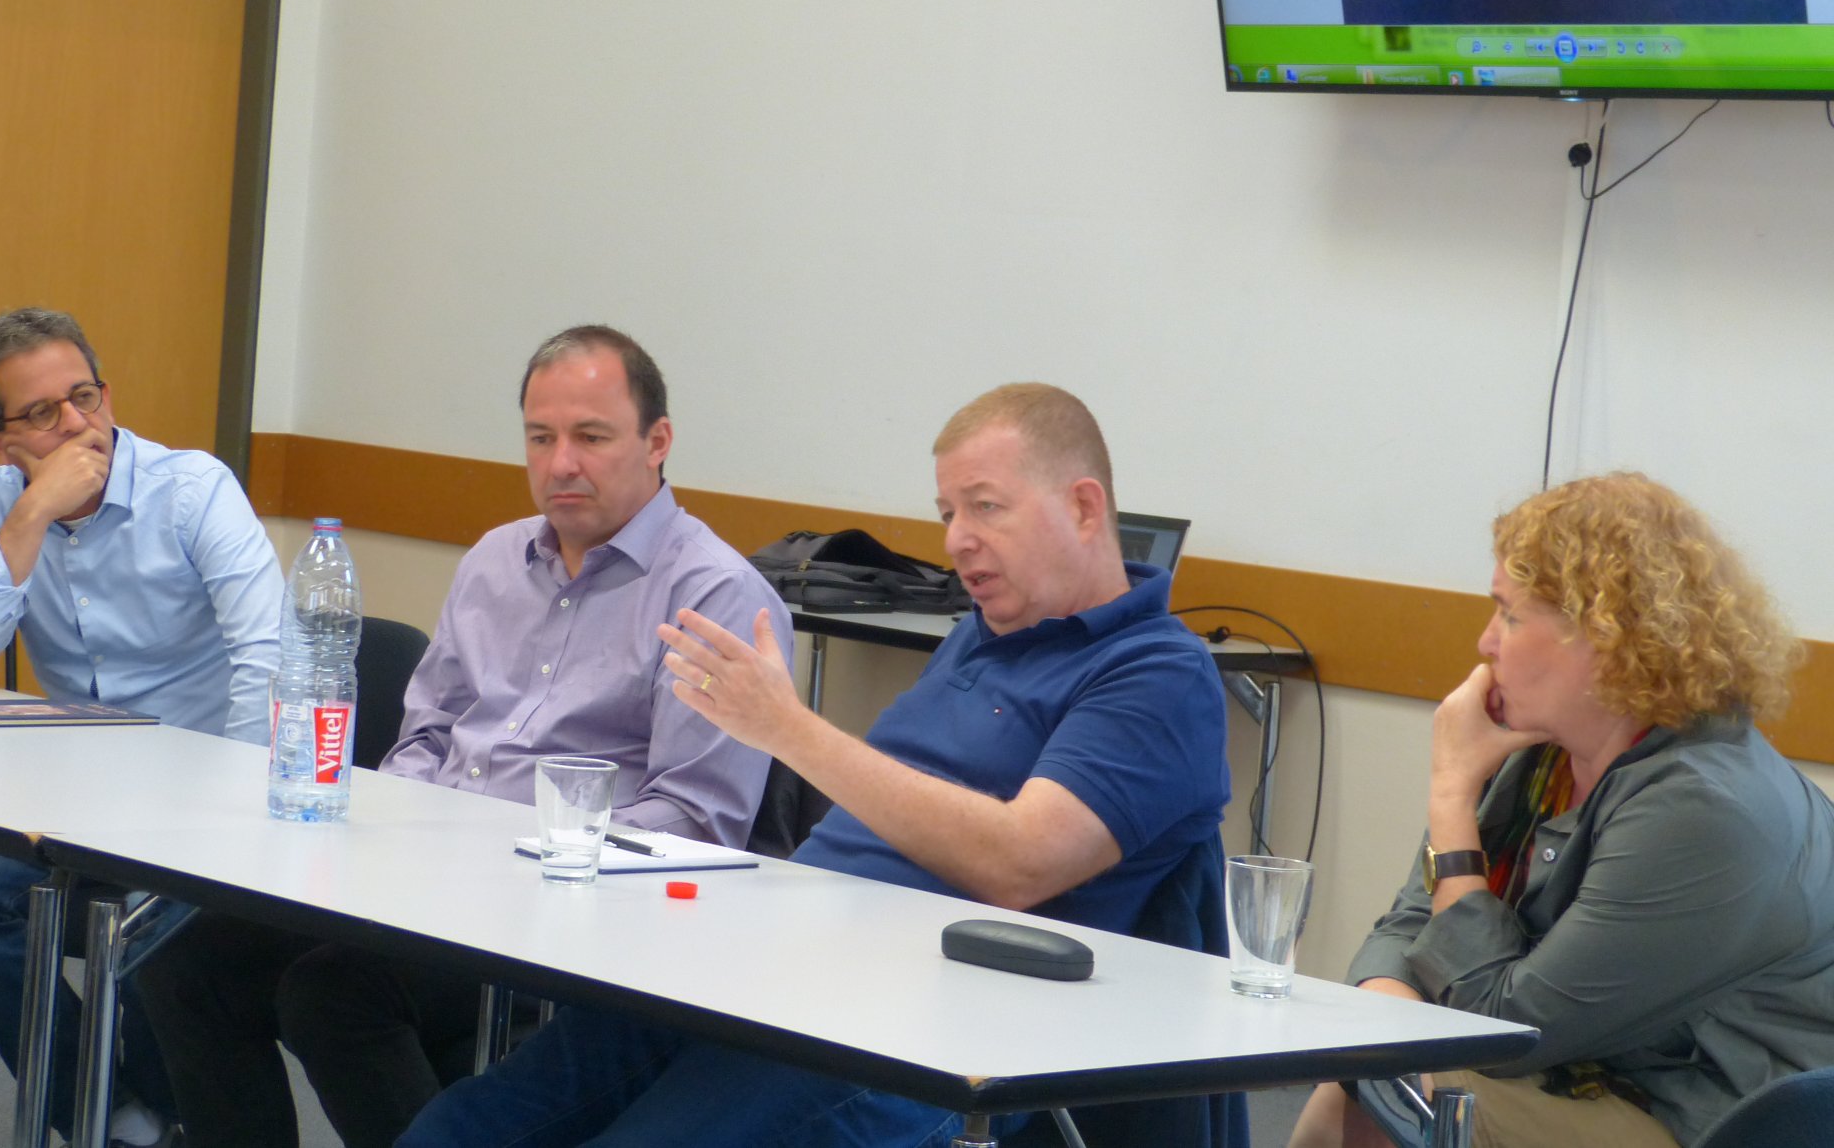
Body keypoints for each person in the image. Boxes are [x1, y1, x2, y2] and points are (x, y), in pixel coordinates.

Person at [396, 381, 1235, 1148]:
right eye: (947, 512)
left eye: (985, 508)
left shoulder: (1158, 673)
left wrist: (788, 729)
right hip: (776, 968)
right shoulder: (983, 636)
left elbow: (1021, 860)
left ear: (1084, 508)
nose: (957, 541)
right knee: (459, 1130)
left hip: (914, 1031)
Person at [135, 325, 792, 1148]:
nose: (561, 464)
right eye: (541, 438)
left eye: (591, 438)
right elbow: (426, 735)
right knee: (183, 963)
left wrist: (515, 849)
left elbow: (698, 819)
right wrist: (404, 826)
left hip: (569, 914)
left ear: (657, 442)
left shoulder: (717, 594)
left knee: (336, 995)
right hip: (424, 882)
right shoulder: (494, 560)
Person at [1287, 473, 1834, 1148]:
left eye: (1510, 616)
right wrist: (1386, 1012)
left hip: (1708, 1117)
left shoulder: (1702, 810)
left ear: (1604, 638)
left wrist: (1451, 794)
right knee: (1368, 1077)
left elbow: (1506, 1025)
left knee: (1391, 1092)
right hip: (1584, 1070)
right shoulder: (1541, 753)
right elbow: (1412, 923)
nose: (1487, 643)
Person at [0, 305, 284, 1148]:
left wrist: (234, 814)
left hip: (199, 794)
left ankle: (160, 1117)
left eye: (85, 396)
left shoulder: (193, 490)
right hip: (72, 792)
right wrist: (30, 516)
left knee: (156, 929)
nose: (79, 424)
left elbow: (268, 656)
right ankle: (114, 1115)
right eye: (42, 413)